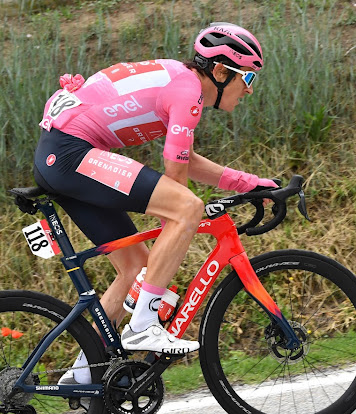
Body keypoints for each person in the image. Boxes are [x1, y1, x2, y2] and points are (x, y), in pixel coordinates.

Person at [33, 22, 276, 385]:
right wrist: (178, 223)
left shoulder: (180, 80)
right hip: (71, 154)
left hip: (62, 156)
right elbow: (176, 175)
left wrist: (249, 183)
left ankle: (83, 374)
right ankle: (143, 325)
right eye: (249, 79)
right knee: (187, 209)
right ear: (222, 71)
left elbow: (187, 161)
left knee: (136, 268)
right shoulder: (187, 91)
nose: (249, 91)